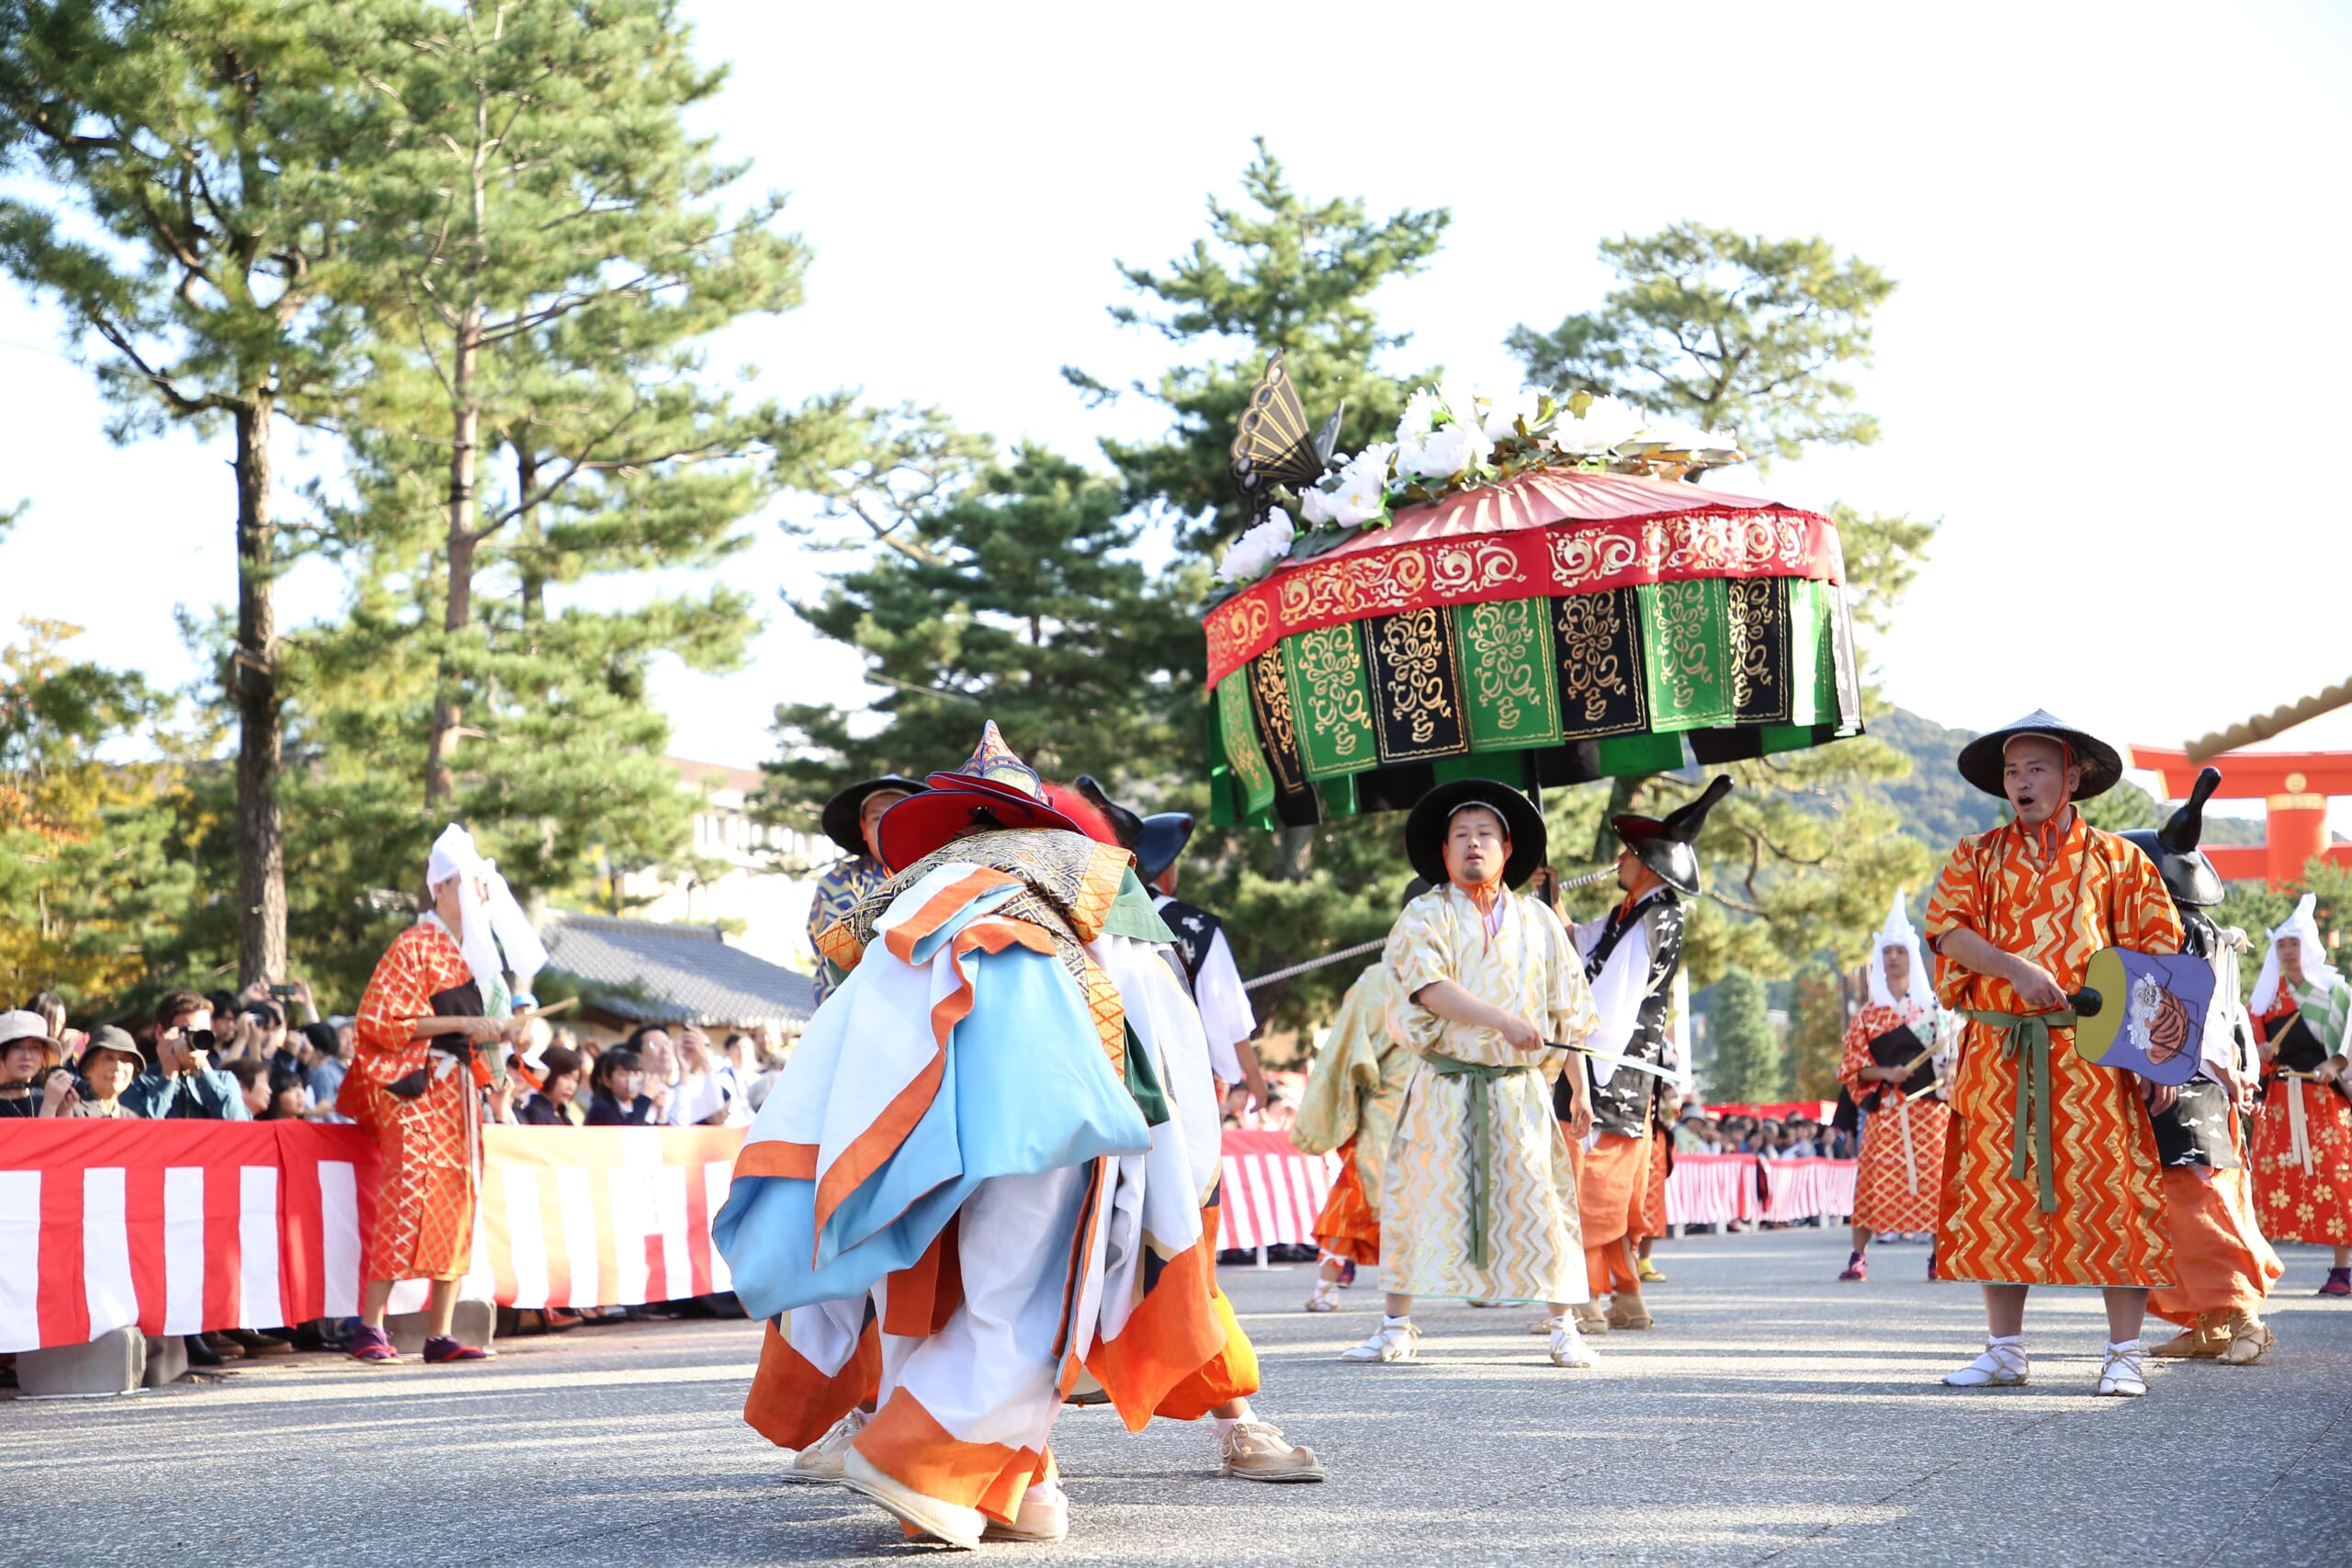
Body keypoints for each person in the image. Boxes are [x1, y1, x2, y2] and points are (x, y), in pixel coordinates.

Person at [718, 724, 1231, 1547]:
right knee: (1024, 1291)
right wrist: (1170, 1141)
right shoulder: (1090, 872)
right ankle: (924, 1460)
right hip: (1047, 1088)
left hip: (905, 1099)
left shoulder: (904, 896)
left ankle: (1013, 1482)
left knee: (918, 1277)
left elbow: (844, 1024)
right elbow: (1150, 1000)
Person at [1923, 712, 2184, 1397]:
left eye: (2036, 767)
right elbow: (1946, 931)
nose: (2021, 782)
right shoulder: (1976, 854)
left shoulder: (2120, 861)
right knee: (1997, 1195)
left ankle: (2124, 1353)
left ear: (2073, 776)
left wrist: (2157, 1056)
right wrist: (2011, 966)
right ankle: (2004, 1349)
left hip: (2095, 1053)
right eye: (2012, 771)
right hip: (2002, 1050)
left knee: (2115, 1192)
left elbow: (2156, 954)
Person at [1341, 778, 1603, 1371]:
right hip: (1444, 1084)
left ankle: (1564, 1325)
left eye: (1486, 834)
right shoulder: (1424, 913)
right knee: (1415, 1197)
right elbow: (1428, 988)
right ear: (1444, 850)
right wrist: (1503, 1020)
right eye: (1461, 835)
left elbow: (1569, 1011)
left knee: (1545, 1202)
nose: (1473, 844)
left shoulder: (1539, 920)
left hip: (1521, 1089)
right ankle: (1395, 1326)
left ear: (1508, 849)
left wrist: (1581, 1088)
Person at [340, 824, 545, 1367]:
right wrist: (466, 1022)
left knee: (459, 1201)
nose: (480, 891)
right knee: (407, 1194)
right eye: (469, 881)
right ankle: (368, 1326)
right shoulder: (415, 944)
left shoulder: (478, 954)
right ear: (441, 888)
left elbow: (500, 1022)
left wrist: (511, 1030)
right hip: (417, 1086)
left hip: (458, 1092)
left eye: (481, 882)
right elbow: (379, 1020)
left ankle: (440, 1332)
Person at [2124, 769, 2283, 1361]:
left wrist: (2169, 1067)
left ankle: (2241, 1316)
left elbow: (2191, 1012)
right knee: (2172, 1202)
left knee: (2198, 1201)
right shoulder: (2196, 932)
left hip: (2183, 1076)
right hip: (2187, 1074)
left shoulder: (2183, 933)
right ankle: (2208, 1322)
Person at [1565, 777, 1728, 1335]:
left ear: (1648, 863)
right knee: (1611, 1177)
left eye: (1627, 855)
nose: (1617, 862)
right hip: (1621, 1064)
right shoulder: (1630, 911)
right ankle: (1627, 1295)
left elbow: (1613, 992)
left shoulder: (1656, 915)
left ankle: (1588, 1295)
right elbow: (1579, 942)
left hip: (1612, 1060)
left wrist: (1575, 1044)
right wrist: (1550, 905)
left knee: (1595, 1178)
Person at [1292, 888, 1419, 1313]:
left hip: (1432, 1102)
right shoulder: (1381, 979)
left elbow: (1343, 1055)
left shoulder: (1386, 978)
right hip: (1392, 1106)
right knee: (1360, 1195)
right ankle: (1326, 1286)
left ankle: (1328, 1288)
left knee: (1367, 1197)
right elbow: (1346, 1052)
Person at [1834, 889, 1951, 1281]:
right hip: (1886, 1111)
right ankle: (1858, 1255)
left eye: (1900, 950)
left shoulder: (1934, 1012)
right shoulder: (1868, 1015)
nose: (1893, 958)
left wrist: (1951, 1071)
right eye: (1887, 952)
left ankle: (1938, 1256)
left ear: (1912, 957)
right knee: (1870, 1185)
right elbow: (1852, 1066)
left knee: (1935, 1182)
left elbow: (1952, 1061)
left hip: (1930, 1112)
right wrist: (1886, 1074)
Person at [2245, 891, 2352, 1295]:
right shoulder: (2264, 998)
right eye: (2282, 944)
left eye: (2295, 943)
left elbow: (2348, 1040)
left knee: (2336, 1177)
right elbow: (2255, 1047)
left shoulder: (2334, 991)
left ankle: (2342, 1271)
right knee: (2271, 1180)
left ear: (2309, 946)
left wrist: (2336, 1064)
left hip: (2324, 1101)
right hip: (2280, 1101)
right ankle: (2263, 1268)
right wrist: (2262, 1054)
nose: (2288, 951)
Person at [1136, 806, 1272, 1119]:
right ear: (1166, 870)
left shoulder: (1102, 921)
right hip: (1184, 1077)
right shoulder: (1195, 926)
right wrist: (1252, 1078)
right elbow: (1230, 1013)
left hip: (1118, 1073)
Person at [806, 773, 929, 1008]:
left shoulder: (942, 874)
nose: (887, 824)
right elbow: (837, 961)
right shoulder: (838, 883)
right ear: (863, 827)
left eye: (898, 815)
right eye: (876, 818)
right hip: (859, 1009)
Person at [123, 991, 247, 1121]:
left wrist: (204, 1073)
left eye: (204, 1033)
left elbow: (239, 1125)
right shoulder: (138, 1081)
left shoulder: (224, 1080)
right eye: (189, 1031)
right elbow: (136, 1129)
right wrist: (167, 1077)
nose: (196, 1040)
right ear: (161, 1033)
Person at [45, 1026, 144, 1118]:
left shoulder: (132, 1119)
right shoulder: (68, 1110)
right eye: (109, 1058)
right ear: (88, 1068)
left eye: (125, 1060)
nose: (118, 1067)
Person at [0, 1010, 63, 1116]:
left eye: (35, 1048)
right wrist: (49, 1107)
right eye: (16, 1047)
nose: (27, 1056)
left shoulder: (46, 1097)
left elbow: (68, 1133)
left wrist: (65, 1110)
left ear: (43, 1056)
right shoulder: (49, 1102)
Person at [514, 1045, 585, 1126]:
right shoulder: (535, 1111)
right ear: (549, 1074)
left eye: (576, 1080)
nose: (571, 1086)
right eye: (566, 1077)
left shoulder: (563, 1116)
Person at [582, 1046, 654, 1125]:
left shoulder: (637, 1106)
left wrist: (660, 1115)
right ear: (607, 1081)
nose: (631, 1080)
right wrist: (645, 1099)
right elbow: (627, 1132)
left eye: (636, 1074)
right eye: (624, 1075)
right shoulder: (601, 1108)